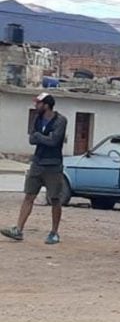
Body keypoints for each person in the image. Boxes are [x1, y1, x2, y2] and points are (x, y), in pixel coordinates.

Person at [1, 93, 68, 245]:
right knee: (29, 196)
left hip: (53, 165)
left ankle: (54, 232)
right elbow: (32, 139)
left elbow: (54, 141)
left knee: (55, 199)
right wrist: (41, 137)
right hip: (37, 163)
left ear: (46, 105)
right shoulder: (37, 119)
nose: (36, 106)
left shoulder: (60, 120)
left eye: (38, 103)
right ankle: (18, 229)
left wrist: (39, 136)